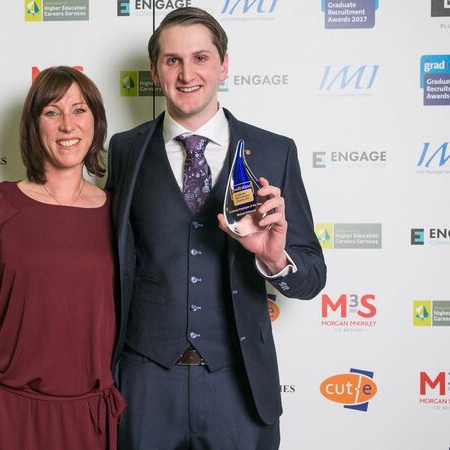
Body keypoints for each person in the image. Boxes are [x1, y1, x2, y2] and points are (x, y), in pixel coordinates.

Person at [106, 7, 327, 450]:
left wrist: (274, 260)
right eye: (172, 60)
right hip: (146, 385)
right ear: (155, 70)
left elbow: (312, 277)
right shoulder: (125, 149)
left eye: (201, 58)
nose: (187, 74)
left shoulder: (275, 151)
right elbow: (109, 256)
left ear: (223, 65)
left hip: (238, 384)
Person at [0, 66, 124, 450]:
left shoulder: (117, 213)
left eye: (79, 110)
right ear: (34, 125)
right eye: (52, 112)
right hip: (7, 415)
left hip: (88, 420)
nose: (67, 125)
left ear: (96, 122)